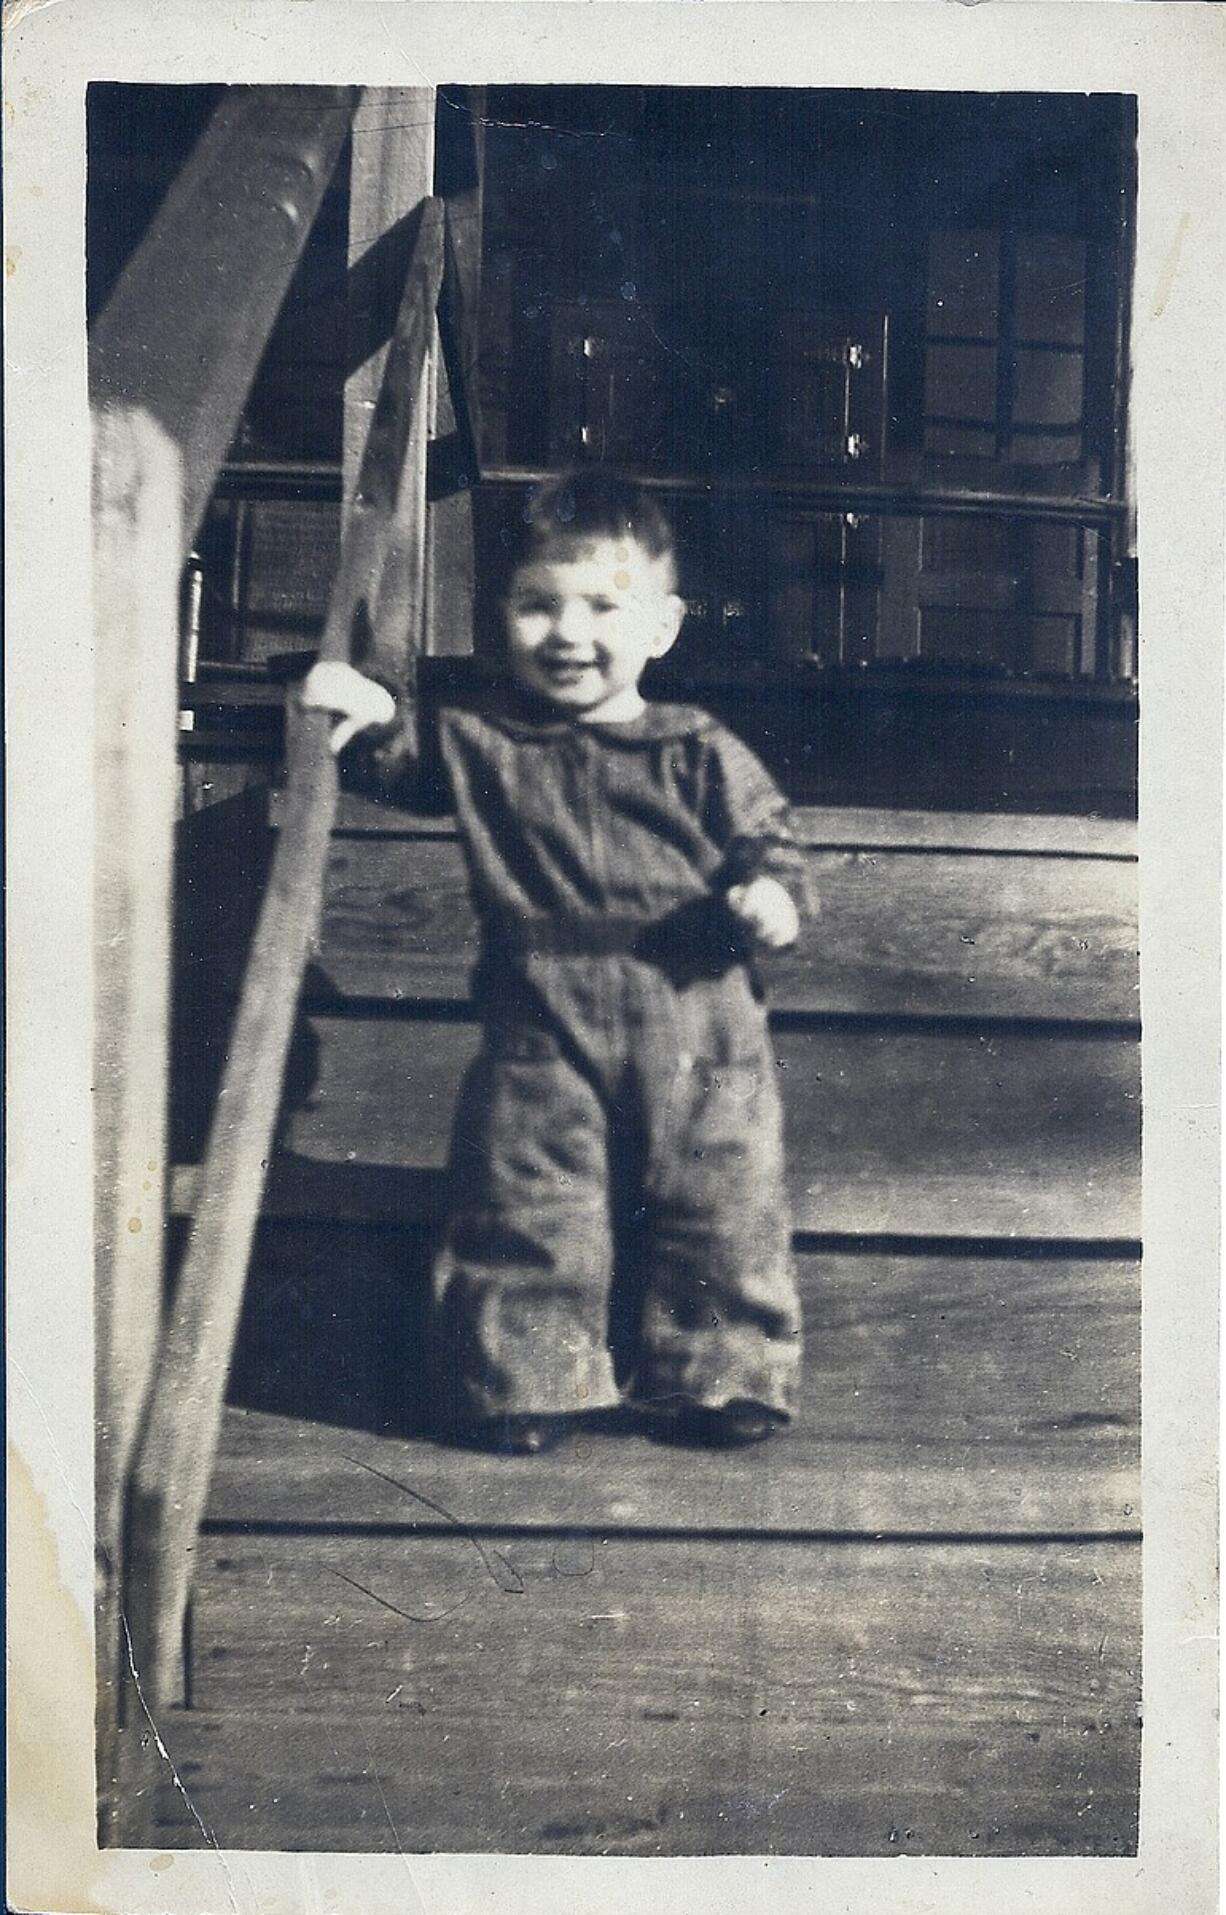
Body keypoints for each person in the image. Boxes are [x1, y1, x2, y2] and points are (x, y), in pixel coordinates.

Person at [301, 470, 809, 1455]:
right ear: (504, 618)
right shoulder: (484, 741)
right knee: (530, 1195)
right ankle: (524, 1377)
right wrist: (356, 711)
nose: (566, 632)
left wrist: (770, 892)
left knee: (716, 1195)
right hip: (538, 1011)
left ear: (661, 627)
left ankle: (721, 1373)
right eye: (538, 605)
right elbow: (400, 763)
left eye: (600, 607)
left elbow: (766, 833)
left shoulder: (694, 747)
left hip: (694, 1006)